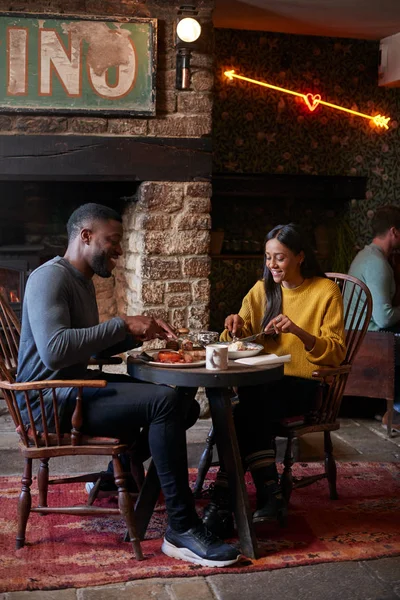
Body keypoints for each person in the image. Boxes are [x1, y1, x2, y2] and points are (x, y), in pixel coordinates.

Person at [17, 202, 239, 567]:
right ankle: (180, 529)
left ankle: (113, 476)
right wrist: (122, 323)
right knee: (165, 403)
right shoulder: (49, 277)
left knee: (183, 405)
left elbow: (85, 343)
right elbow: (56, 352)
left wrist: (139, 334)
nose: (119, 249)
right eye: (113, 240)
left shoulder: (82, 281)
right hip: (47, 400)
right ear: (85, 236)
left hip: (72, 389)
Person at [203, 223, 346, 538]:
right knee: (251, 403)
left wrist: (297, 330)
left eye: (279, 258)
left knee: (245, 408)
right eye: (268, 258)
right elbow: (237, 339)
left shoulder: (325, 291)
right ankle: (269, 493)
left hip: (307, 384)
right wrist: (234, 326)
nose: (272, 266)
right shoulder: (261, 290)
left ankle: (224, 496)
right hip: (264, 385)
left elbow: (335, 354)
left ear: (299, 257)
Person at [348, 205, 400, 432]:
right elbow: (385, 318)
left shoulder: (365, 255)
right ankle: (395, 411)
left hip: (356, 334)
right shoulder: (378, 263)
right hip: (367, 339)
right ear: (394, 232)